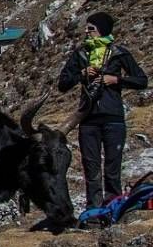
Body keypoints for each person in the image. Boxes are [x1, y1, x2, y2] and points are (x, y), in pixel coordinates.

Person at [57, 12, 147, 207]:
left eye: (91, 29)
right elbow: (62, 84)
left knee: (112, 168)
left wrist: (116, 80)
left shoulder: (119, 53)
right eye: (86, 29)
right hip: (88, 119)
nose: (86, 32)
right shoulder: (81, 54)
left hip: (113, 118)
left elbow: (141, 80)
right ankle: (94, 211)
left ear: (102, 31)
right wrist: (81, 74)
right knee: (91, 169)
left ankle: (113, 207)